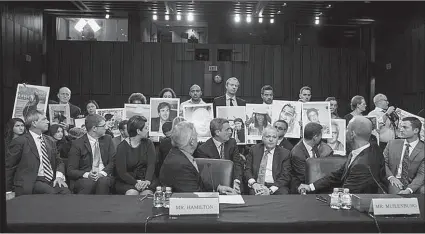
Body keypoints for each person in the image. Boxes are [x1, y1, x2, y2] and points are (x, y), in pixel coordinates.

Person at [297, 116, 386, 194]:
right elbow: (338, 174)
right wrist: (311, 186)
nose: (345, 131)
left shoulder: (361, 165)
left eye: (347, 128)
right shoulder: (372, 149)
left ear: (352, 134)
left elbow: (345, 195)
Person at [159, 121, 237, 194]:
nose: (198, 139)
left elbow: (196, 181)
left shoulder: (179, 154)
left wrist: (218, 188)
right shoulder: (180, 165)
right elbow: (195, 198)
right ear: (192, 141)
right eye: (196, 135)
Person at [5, 110, 70, 196]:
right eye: (44, 119)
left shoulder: (50, 140)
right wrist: (8, 191)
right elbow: (9, 167)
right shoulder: (20, 141)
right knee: (51, 194)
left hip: (51, 179)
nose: (48, 122)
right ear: (34, 123)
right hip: (32, 181)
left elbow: (59, 161)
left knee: (66, 192)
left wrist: (59, 176)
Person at [67, 114, 116, 194]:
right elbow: (71, 170)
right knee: (89, 184)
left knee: (103, 182)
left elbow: (113, 161)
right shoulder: (77, 144)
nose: (106, 128)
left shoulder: (108, 139)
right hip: (86, 178)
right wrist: (87, 174)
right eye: (103, 126)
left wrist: (102, 173)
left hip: (104, 175)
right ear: (94, 128)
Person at [195, 118, 245, 194]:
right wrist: (218, 187)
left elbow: (237, 164)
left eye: (230, 129)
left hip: (233, 183)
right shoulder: (203, 150)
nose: (230, 132)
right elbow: (206, 176)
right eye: (227, 130)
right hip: (215, 187)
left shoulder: (232, 142)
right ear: (217, 132)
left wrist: (237, 181)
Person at [115, 116, 157, 195]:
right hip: (128, 181)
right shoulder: (122, 147)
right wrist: (135, 182)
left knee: (147, 194)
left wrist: (147, 181)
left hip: (146, 179)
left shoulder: (148, 143)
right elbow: (122, 172)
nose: (148, 130)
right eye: (146, 128)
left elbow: (151, 164)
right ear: (138, 131)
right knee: (132, 193)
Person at [245, 126, 291, 195]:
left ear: (277, 139)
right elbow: (247, 170)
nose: (271, 140)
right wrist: (254, 184)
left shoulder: (285, 153)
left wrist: (270, 190)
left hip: (276, 186)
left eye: (274, 137)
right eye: (268, 136)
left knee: (283, 192)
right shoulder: (254, 150)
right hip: (257, 184)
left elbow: (285, 176)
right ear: (262, 138)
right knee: (253, 194)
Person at [384, 117, 424, 194]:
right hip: (395, 180)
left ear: (416, 130)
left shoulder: (423, 150)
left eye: (405, 127)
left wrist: (409, 189)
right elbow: (383, 163)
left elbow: (421, 175)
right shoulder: (392, 143)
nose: (401, 130)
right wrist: (391, 177)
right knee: (395, 189)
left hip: (414, 183)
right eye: (401, 127)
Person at [290, 122, 333, 193]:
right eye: (320, 135)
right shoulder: (297, 153)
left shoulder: (314, 146)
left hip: (315, 183)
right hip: (302, 187)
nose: (321, 138)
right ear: (315, 137)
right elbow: (306, 176)